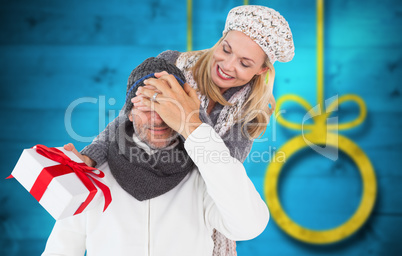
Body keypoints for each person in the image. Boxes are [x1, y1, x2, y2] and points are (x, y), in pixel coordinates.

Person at [78, 5, 295, 255]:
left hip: (188, 210)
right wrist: (91, 155)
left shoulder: (250, 113)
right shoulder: (173, 63)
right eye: (226, 49)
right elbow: (129, 118)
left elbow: (219, 167)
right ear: (221, 38)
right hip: (130, 190)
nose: (227, 65)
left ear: (261, 70)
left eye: (245, 63)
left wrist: (189, 114)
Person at [42, 57, 269, 256]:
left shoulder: (204, 175)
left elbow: (248, 226)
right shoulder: (94, 175)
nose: (157, 119)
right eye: (146, 105)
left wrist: (193, 127)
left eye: (166, 107)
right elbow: (60, 249)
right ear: (129, 112)